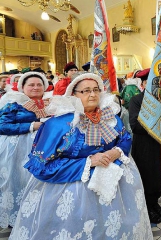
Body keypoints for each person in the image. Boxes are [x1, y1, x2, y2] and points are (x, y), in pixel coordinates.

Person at [9, 73, 152, 239]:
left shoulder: (109, 117)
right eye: (85, 91)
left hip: (113, 183)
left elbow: (124, 138)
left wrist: (116, 151)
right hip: (72, 189)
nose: (92, 94)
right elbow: (42, 166)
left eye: (95, 90)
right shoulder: (59, 124)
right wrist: (89, 161)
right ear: (74, 95)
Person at [0, 72, 50, 228]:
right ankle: (17, 217)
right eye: (31, 85)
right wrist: (30, 126)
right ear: (23, 87)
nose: (35, 87)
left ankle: (38, 215)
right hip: (18, 150)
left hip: (44, 149)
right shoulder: (14, 103)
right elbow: (2, 126)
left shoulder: (51, 103)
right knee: (19, 181)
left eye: (39, 84)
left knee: (40, 183)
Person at [129, 68, 161, 224]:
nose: (157, 86)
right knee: (148, 178)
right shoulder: (136, 100)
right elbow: (135, 125)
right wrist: (157, 120)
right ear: (143, 84)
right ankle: (148, 206)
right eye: (152, 83)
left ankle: (155, 201)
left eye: (158, 83)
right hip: (145, 148)